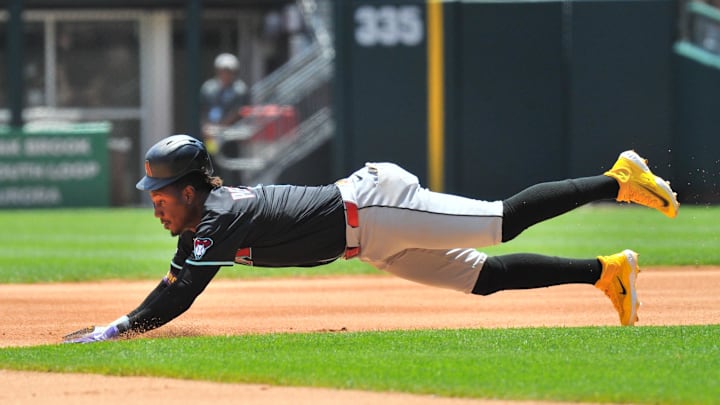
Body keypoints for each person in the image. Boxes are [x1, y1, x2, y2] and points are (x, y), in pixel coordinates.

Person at [63, 135, 679, 343]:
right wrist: (117, 325)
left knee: (499, 221)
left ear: (191, 190)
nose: (155, 203)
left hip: (377, 206)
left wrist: (110, 331)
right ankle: (607, 273)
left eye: (160, 192)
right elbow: (175, 283)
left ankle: (617, 179)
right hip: (370, 242)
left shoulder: (216, 221)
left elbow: (176, 297)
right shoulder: (206, 221)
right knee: (481, 279)